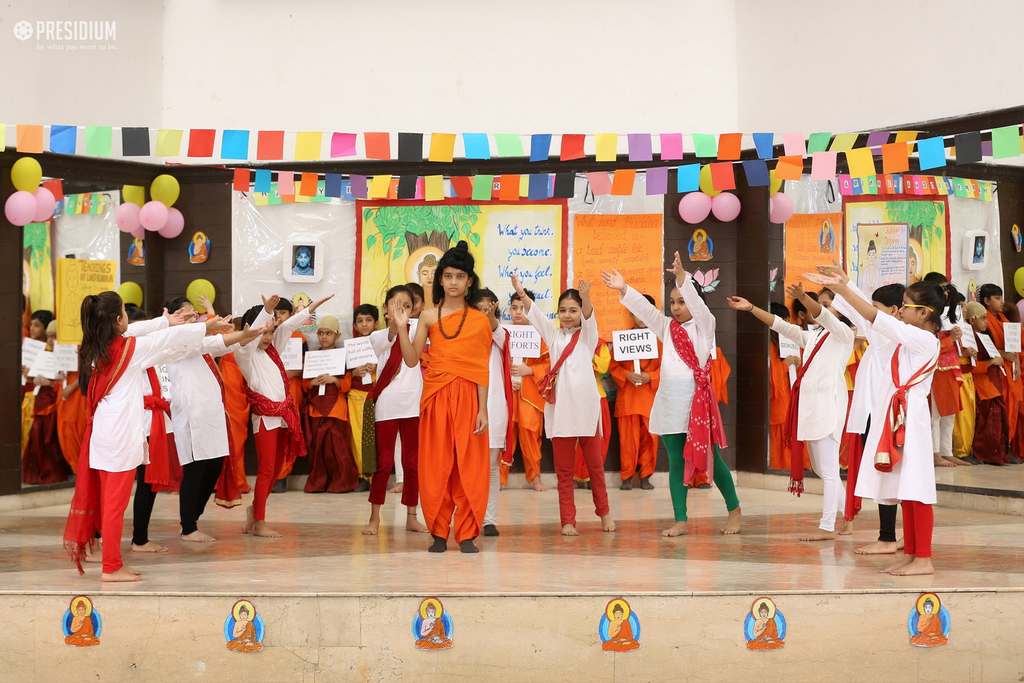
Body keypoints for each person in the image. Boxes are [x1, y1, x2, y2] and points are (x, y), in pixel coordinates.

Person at [62, 292, 233, 581]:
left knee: (110, 502)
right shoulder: (127, 351)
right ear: (119, 320)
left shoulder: (96, 345)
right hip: (120, 438)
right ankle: (111, 567)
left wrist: (164, 321)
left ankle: (111, 561)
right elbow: (161, 342)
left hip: (104, 435)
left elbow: (139, 331)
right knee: (115, 506)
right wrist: (206, 326)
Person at [604, 253, 740, 536]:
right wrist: (625, 289)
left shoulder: (706, 326)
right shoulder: (668, 328)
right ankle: (680, 519)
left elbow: (699, 308)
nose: (676, 308)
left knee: (711, 460)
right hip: (670, 405)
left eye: (683, 301)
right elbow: (648, 312)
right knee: (678, 462)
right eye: (673, 302)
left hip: (697, 406)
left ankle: (734, 509)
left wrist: (682, 277)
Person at [821, 273, 945, 576]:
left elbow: (877, 317)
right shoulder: (906, 338)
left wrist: (843, 290)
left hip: (910, 417)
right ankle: (912, 554)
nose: (900, 310)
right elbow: (872, 321)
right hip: (897, 416)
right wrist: (845, 283)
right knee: (906, 489)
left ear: (924, 312)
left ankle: (924, 559)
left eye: (905, 305)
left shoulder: (923, 339)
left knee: (917, 487)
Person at [728, 281, 853, 541]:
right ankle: (848, 517)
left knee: (829, 471)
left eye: (826, 305)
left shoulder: (843, 334)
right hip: (810, 409)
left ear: (839, 310)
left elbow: (823, 317)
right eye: (816, 304)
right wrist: (751, 308)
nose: (817, 309)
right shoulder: (813, 335)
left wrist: (805, 298)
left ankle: (828, 526)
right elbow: (780, 325)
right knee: (821, 469)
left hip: (829, 406)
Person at [393, 241, 492, 553]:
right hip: (435, 396)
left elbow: (481, 366)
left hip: (469, 398)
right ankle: (438, 531)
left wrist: (483, 409)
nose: (453, 282)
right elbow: (411, 360)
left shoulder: (478, 319)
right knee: (437, 464)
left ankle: (465, 533)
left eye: (459, 276)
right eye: (447, 276)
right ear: (440, 279)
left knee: (467, 464)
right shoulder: (427, 317)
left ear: (469, 281)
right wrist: (400, 329)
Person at [513, 272, 614, 537]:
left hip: (588, 412)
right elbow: (534, 315)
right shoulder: (554, 335)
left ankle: (604, 513)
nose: (567, 315)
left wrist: (587, 297)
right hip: (561, 414)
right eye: (562, 310)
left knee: (595, 468)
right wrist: (521, 292)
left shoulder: (589, 336)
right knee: (565, 473)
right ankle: (567, 520)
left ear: (581, 312)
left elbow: (591, 319)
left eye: (573, 310)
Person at [237, 292, 333, 538]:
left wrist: (311, 307)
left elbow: (288, 325)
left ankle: (254, 510)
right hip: (265, 418)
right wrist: (266, 312)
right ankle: (259, 521)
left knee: (277, 467)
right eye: (264, 331)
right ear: (251, 330)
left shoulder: (272, 350)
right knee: (267, 469)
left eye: (271, 332)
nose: (269, 337)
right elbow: (250, 340)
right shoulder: (245, 354)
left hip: (283, 416)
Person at [829, 278, 907, 555]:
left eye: (875, 307)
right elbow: (858, 313)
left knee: (890, 475)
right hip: (878, 413)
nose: (869, 311)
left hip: (886, 415)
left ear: (896, 310)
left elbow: (858, 311)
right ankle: (894, 536)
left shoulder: (890, 334)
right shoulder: (882, 332)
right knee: (891, 476)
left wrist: (843, 285)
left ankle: (888, 537)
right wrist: (841, 285)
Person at [163, 295, 243, 543]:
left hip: (211, 415)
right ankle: (188, 527)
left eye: (192, 314)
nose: (191, 318)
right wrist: (217, 330)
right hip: (191, 415)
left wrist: (253, 330)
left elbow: (224, 345)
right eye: (185, 314)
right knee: (195, 470)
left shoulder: (199, 340)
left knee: (213, 467)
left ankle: (192, 519)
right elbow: (210, 344)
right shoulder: (173, 341)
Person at [363, 286, 428, 535]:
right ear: (385, 308)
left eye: (406, 305)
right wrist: (396, 327)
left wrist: (405, 327)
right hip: (387, 403)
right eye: (394, 304)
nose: (400, 309)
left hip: (413, 403)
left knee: (412, 463)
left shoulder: (421, 333)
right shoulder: (378, 336)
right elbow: (384, 345)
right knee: (383, 463)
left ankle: (412, 516)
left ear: (416, 309)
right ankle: (374, 517)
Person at [469, 288, 515, 537]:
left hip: (495, 406)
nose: (485, 312)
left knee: (491, 466)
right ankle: (469, 515)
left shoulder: (500, 334)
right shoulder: (463, 334)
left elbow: (501, 336)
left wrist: (490, 318)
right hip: (467, 404)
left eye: (489, 308)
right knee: (467, 465)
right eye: (480, 308)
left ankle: (489, 519)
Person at [609, 295, 661, 491]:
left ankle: (646, 475)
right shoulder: (622, 339)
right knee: (627, 440)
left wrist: (651, 377)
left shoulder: (660, 341)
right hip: (628, 398)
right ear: (630, 314)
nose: (642, 316)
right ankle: (627, 476)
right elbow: (613, 367)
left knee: (650, 438)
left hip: (650, 399)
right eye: (637, 312)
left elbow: (667, 368)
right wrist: (626, 374)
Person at [302, 315, 359, 493]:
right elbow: (305, 384)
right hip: (317, 409)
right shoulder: (312, 357)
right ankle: (318, 483)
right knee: (318, 450)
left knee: (339, 449)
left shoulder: (342, 357)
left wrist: (334, 379)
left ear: (337, 335)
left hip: (336, 409)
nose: (324, 337)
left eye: (328, 333)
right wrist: (313, 383)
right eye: (320, 333)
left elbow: (347, 384)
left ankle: (343, 483)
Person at [504, 289, 550, 491]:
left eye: (523, 308)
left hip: (530, 396)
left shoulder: (540, 336)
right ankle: (501, 478)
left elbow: (549, 365)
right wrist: (508, 378)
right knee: (505, 436)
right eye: (514, 308)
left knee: (531, 436)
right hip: (507, 394)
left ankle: (536, 477)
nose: (518, 312)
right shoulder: (502, 334)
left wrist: (529, 369)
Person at [23, 320, 72, 485]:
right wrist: (33, 375)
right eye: (49, 337)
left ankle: (53, 472)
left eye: (55, 336)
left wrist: (50, 383)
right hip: (42, 400)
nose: (51, 340)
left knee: (50, 438)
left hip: (54, 404)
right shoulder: (44, 353)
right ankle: (39, 472)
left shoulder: (68, 357)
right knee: (39, 435)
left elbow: (65, 383)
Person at [979, 283, 1020, 464]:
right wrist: (1003, 355)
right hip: (996, 370)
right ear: (987, 301)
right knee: (1001, 411)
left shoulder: (1005, 319)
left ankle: (1008, 446)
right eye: (997, 298)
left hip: (1010, 370)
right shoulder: (984, 320)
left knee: (1013, 409)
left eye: (1002, 297)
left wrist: (1017, 361)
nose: (1002, 302)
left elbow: (1015, 345)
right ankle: (1000, 449)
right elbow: (986, 347)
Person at [965, 300, 1010, 465]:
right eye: (983, 318)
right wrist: (991, 363)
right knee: (986, 422)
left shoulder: (985, 337)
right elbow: (971, 366)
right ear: (972, 320)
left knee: (998, 420)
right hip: (982, 385)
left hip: (993, 383)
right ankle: (984, 454)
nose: (986, 321)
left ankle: (999, 454)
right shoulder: (969, 339)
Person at [768, 302, 803, 471]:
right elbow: (770, 376)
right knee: (777, 441)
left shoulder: (786, 342)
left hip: (788, 400)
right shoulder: (768, 345)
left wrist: (795, 363)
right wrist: (786, 364)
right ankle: (779, 467)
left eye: (787, 322)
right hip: (776, 404)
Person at [347, 303, 379, 492]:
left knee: (376, 439)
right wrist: (353, 373)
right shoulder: (351, 347)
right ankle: (362, 476)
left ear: (376, 323)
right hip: (356, 397)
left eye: (368, 320)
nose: (364, 324)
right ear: (354, 325)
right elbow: (341, 376)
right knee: (357, 438)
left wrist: (378, 368)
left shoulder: (384, 343)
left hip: (377, 396)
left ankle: (376, 477)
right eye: (360, 321)